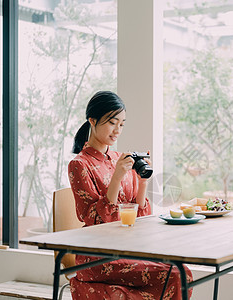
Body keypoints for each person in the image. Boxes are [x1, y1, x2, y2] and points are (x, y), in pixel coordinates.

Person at [68, 91, 192, 300]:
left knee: (183, 272)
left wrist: (143, 182)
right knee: (175, 275)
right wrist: (117, 177)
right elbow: (93, 218)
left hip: (127, 247)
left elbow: (138, 214)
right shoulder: (79, 164)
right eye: (112, 122)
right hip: (97, 255)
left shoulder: (119, 158)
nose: (118, 130)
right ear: (93, 120)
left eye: (122, 124)